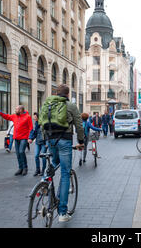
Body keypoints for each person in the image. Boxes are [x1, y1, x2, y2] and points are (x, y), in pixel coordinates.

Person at [45, 84, 85, 222]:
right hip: (64, 141)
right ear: (68, 94)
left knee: (54, 163)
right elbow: (79, 125)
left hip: (50, 140)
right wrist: (81, 140)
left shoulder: (49, 104)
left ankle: (44, 181)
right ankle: (62, 213)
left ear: (56, 93)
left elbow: (42, 122)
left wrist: (47, 139)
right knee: (65, 174)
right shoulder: (71, 106)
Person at [0, 106, 33, 176]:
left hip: (24, 138)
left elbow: (31, 127)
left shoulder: (27, 117)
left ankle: (25, 168)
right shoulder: (15, 116)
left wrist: (30, 137)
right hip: (16, 137)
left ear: (21, 110)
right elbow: (7, 116)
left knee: (21, 151)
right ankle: (20, 168)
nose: (15, 111)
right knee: (18, 154)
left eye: (16, 109)